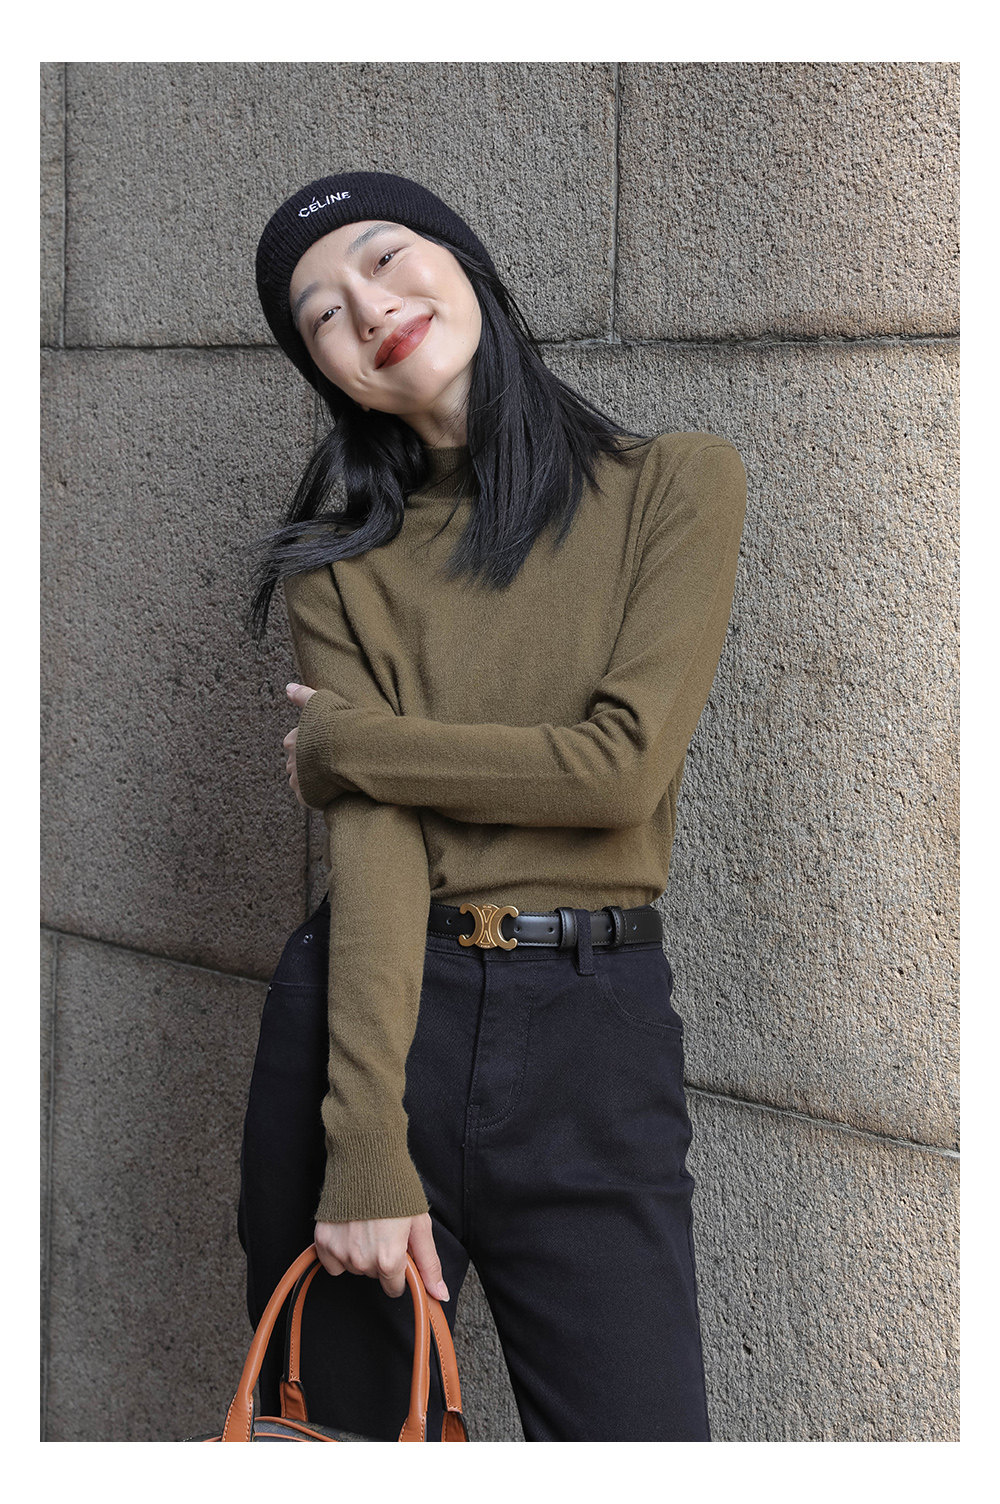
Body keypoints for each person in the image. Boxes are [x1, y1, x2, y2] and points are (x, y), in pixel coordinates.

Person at [238, 170, 747, 1442]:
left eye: (383, 257)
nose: (367, 307)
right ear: (330, 376)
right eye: (322, 315)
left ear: (464, 261)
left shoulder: (673, 484)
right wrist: (364, 1137)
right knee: (347, 1443)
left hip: (593, 1033)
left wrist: (354, 743)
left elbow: (618, 771)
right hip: (373, 1017)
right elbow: (376, 839)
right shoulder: (339, 563)